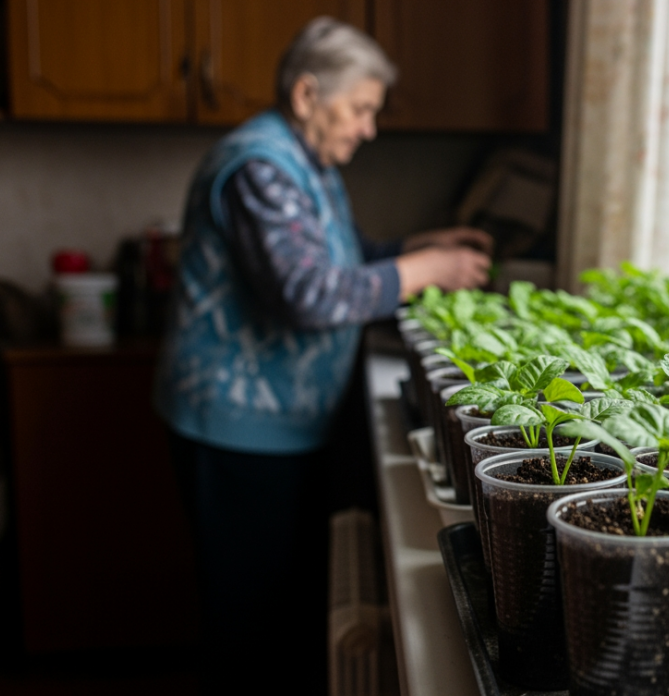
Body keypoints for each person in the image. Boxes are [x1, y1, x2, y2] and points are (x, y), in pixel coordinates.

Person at [153, 17, 490, 691]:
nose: (369, 127)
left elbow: (346, 259)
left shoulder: (308, 160)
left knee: (279, 607)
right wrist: (427, 268)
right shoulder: (259, 166)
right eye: (361, 107)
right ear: (309, 95)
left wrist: (424, 246)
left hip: (282, 424)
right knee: (250, 621)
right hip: (237, 426)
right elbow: (309, 294)